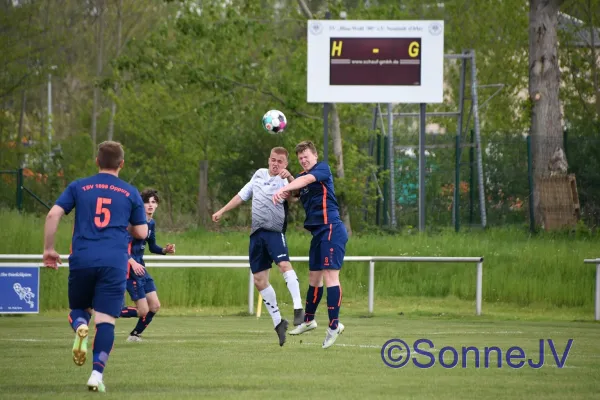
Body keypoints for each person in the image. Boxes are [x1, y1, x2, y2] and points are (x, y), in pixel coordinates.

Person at [43, 141, 148, 392]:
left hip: (82, 257)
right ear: (121, 164)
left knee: (80, 308)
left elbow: (53, 215)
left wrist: (49, 249)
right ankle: (95, 374)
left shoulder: (79, 186)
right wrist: (127, 225)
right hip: (114, 261)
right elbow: (142, 232)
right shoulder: (130, 192)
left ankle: (80, 325)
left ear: (97, 162)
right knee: (105, 320)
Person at [212, 147, 304, 347]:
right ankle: (279, 322)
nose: (275, 164)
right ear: (268, 159)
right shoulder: (259, 174)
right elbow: (241, 195)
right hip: (257, 234)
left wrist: (289, 178)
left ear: (285, 164)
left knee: (283, 265)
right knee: (259, 280)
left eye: (280, 161)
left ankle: (299, 308)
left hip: (274, 232)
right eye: (273, 160)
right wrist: (222, 210)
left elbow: (296, 195)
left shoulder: (286, 180)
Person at [272, 140, 348, 349]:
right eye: (300, 158)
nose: (304, 160)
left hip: (331, 229)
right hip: (318, 234)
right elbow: (297, 193)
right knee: (314, 279)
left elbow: (304, 181)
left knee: (331, 277)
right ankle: (309, 320)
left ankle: (334, 326)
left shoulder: (322, 169)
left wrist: (286, 186)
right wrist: (288, 178)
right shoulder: (302, 179)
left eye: (306, 156)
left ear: (314, 155)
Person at [120, 189, 175, 342]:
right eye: (146, 202)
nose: (150, 205)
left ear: (157, 205)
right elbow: (121, 246)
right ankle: (107, 312)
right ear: (140, 204)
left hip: (141, 268)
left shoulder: (151, 223)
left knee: (155, 306)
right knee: (142, 310)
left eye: (153, 202)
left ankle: (134, 335)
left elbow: (152, 247)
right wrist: (132, 262)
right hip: (130, 269)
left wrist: (165, 250)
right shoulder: (133, 223)